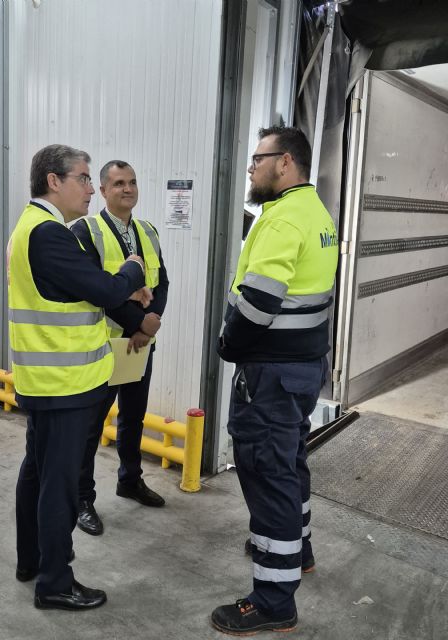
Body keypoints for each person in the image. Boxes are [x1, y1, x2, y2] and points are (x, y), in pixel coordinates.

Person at [9, 144, 150, 611]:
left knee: (37, 473)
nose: (92, 189)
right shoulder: (49, 234)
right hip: (64, 385)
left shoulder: (32, 229)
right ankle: (55, 582)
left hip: (45, 382)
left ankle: (31, 560)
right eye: (85, 178)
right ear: (55, 181)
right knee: (60, 485)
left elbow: (81, 292)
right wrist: (132, 268)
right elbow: (105, 288)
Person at [211, 126, 338, 635]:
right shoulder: (318, 214)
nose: (251, 168)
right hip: (303, 369)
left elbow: (258, 304)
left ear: (284, 162)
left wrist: (228, 346)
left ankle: (273, 599)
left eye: (257, 159)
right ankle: (297, 549)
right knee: (289, 462)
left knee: (268, 474)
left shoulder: (282, 220)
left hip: (270, 374)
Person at [72, 160, 169, 537]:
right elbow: (96, 290)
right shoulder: (86, 230)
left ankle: (129, 480)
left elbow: (162, 281)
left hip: (139, 346)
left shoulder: (148, 230)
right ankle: (82, 498)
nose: (127, 189)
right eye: (117, 184)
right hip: (102, 346)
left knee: (134, 418)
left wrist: (152, 321)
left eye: (131, 182)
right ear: (103, 190)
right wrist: (137, 323)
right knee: (91, 427)